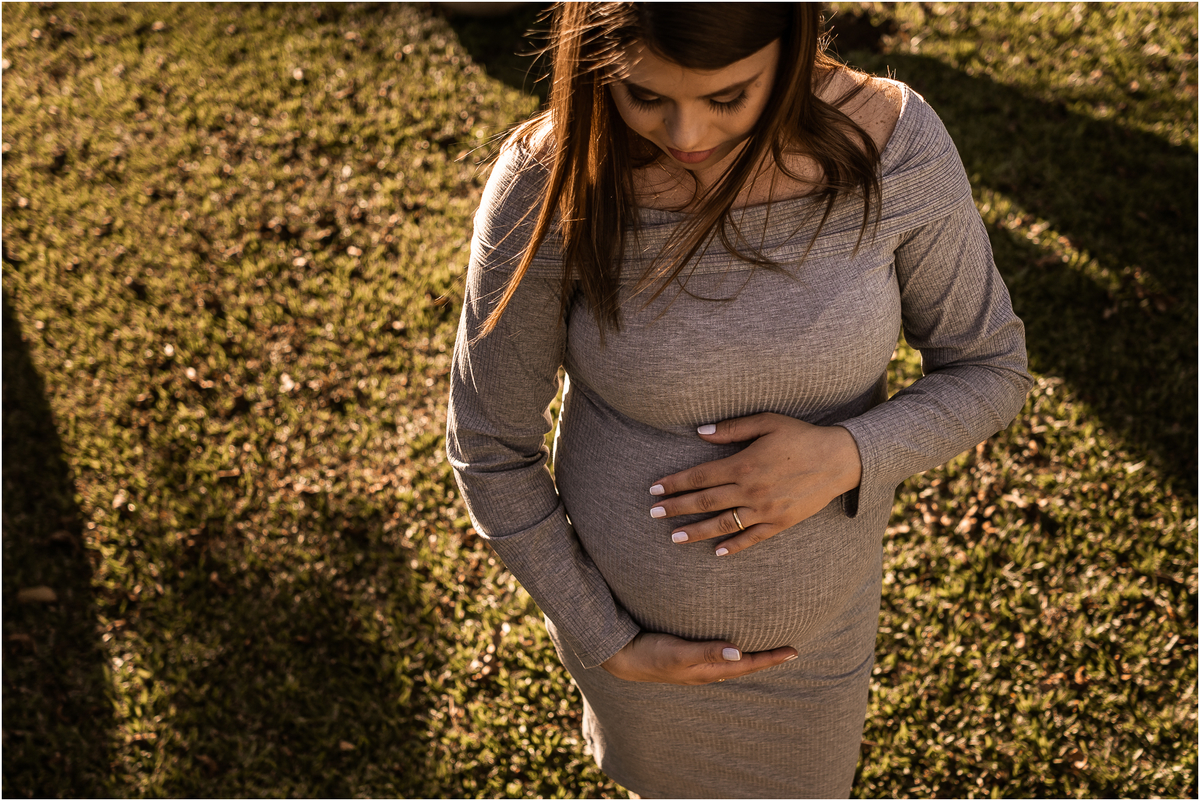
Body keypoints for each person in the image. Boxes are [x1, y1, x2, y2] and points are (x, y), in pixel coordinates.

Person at [446, 3, 1031, 797]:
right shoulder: (549, 179)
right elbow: (489, 448)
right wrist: (606, 639)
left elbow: (990, 366)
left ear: (790, 46)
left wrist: (848, 455)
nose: (686, 136)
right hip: (641, 661)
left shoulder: (893, 146)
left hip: (819, 644)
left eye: (727, 97)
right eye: (644, 95)